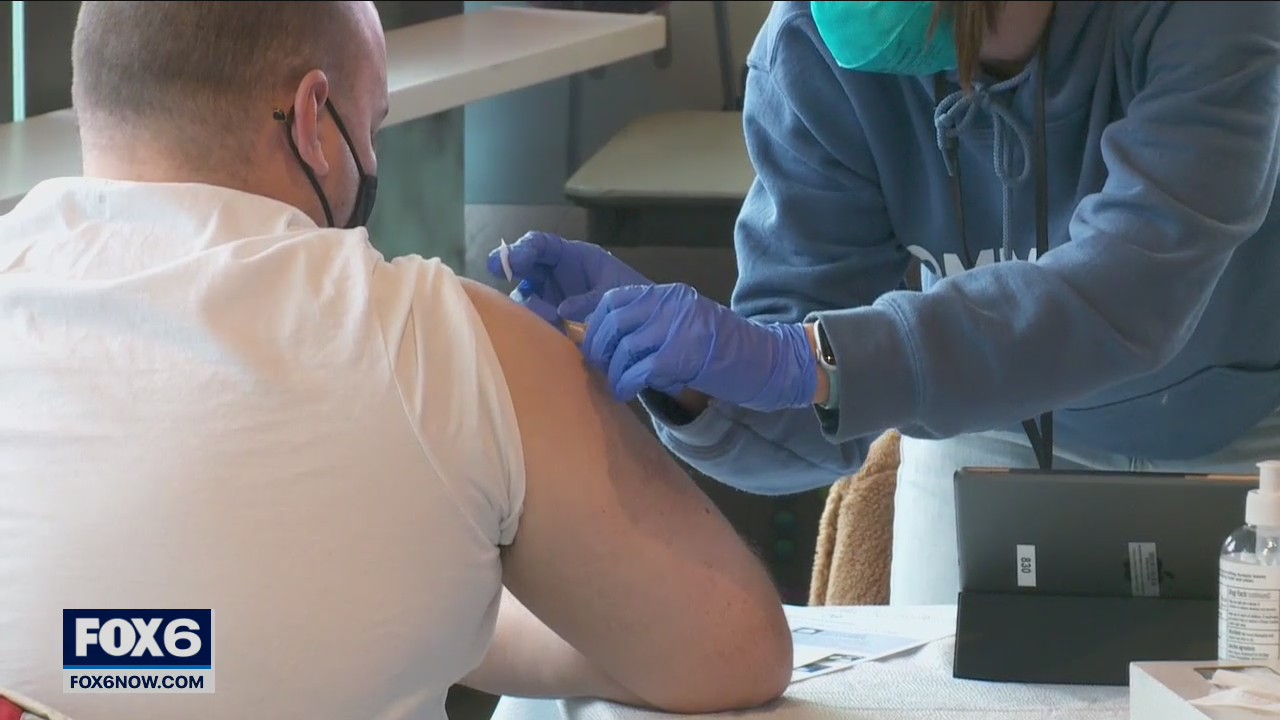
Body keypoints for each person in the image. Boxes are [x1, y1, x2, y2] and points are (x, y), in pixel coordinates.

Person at [0, 2, 793, 718]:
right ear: (314, 118)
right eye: (371, 127)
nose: (370, 156)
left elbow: (156, 651)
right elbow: (730, 650)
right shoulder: (450, 343)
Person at [493, 0, 1280, 605]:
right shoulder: (812, 48)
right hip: (985, 423)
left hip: (1248, 422)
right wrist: (690, 376)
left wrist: (812, 357)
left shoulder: (1208, 17)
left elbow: (1128, 290)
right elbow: (807, 414)